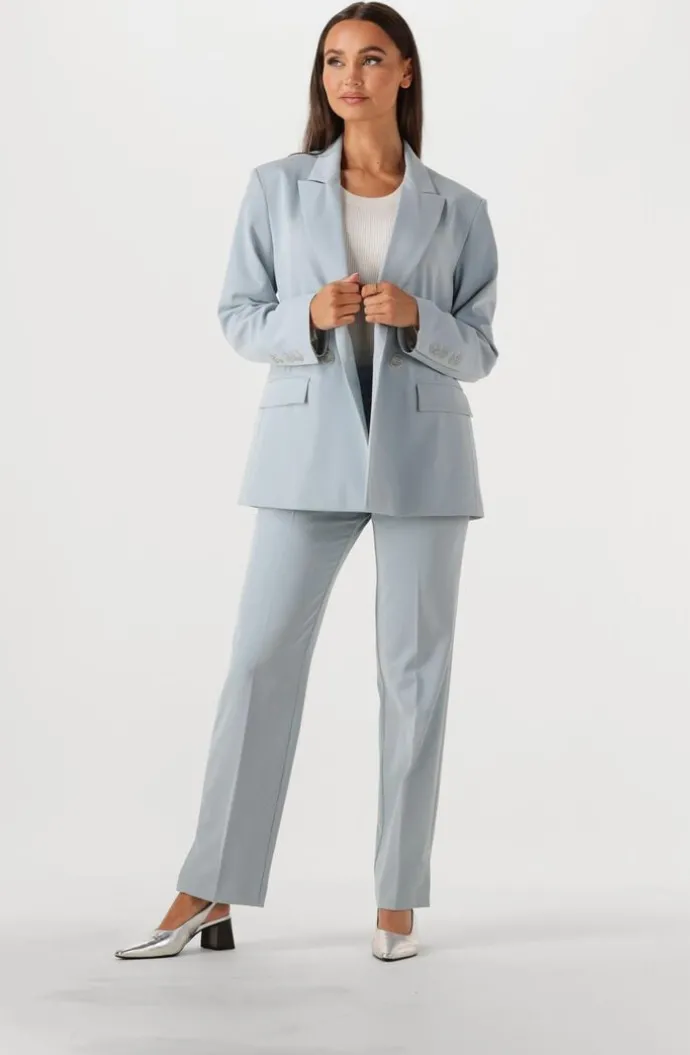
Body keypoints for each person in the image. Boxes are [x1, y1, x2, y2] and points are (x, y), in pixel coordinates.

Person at [114, 0, 500, 964]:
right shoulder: (275, 188)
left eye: (370, 58)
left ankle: (398, 896)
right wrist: (309, 316)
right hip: (304, 453)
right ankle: (209, 885)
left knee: (414, 677)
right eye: (333, 59)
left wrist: (417, 316)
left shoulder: (461, 208)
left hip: (423, 458)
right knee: (258, 664)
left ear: (405, 72)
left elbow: (481, 348)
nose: (349, 76)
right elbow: (239, 315)